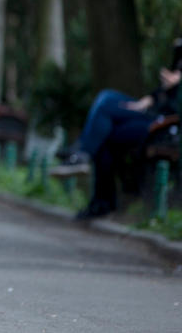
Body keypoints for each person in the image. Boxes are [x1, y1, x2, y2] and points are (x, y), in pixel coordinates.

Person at [67, 41, 181, 219]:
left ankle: (83, 157)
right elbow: (165, 91)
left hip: (166, 124)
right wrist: (151, 98)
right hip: (153, 112)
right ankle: (100, 200)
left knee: (104, 120)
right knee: (106, 103)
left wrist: (178, 81)